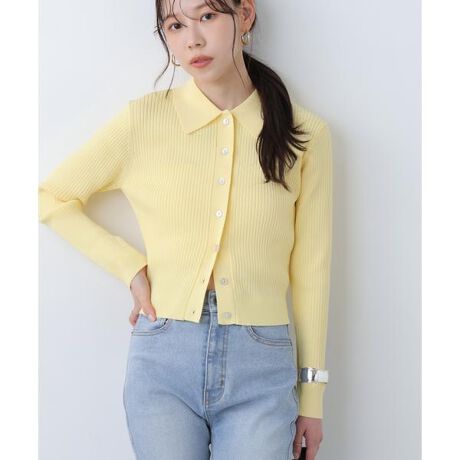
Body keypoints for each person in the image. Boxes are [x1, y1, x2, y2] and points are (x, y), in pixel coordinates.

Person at [38, 1, 333, 459]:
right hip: (163, 359)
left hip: (262, 363)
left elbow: (312, 272)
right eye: (175, 25)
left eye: (208, 16)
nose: (192, 39)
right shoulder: (143, 121)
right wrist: (131, 269)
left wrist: (312, 398)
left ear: (245, 14)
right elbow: (51, 197)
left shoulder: (304, 133)